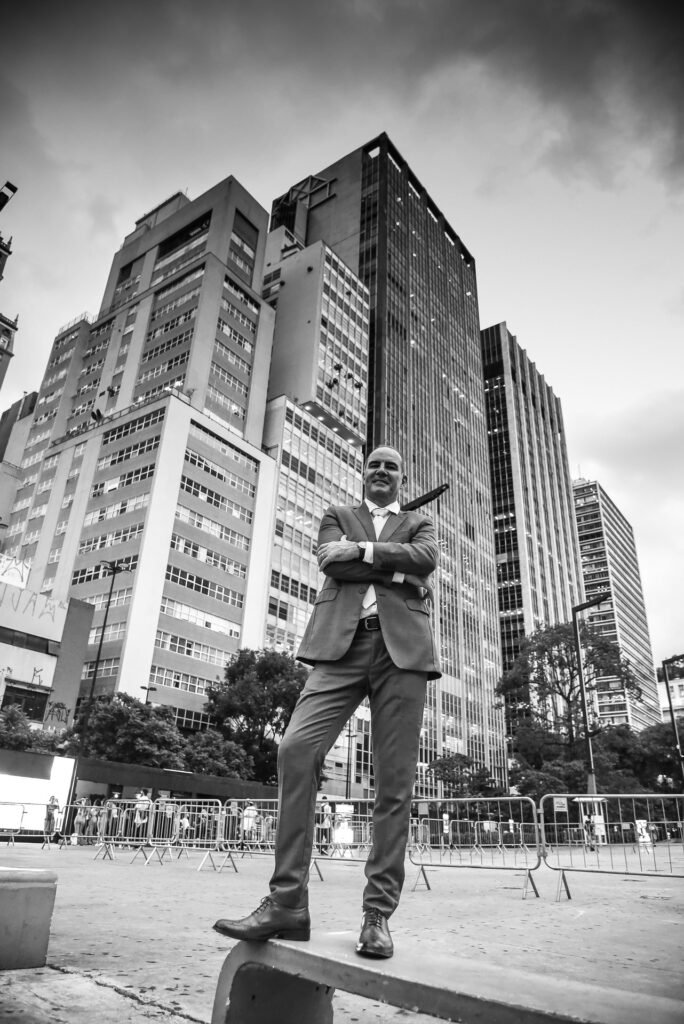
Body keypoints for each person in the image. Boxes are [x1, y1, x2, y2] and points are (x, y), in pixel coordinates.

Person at [214, 445, 440, 959]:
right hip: (339, 646)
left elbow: (424, 561)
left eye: (391, 466)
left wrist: (358, 555)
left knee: (394, 783)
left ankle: (377, 915)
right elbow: (326, 561)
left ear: (402, 477)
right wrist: (395, 569)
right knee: (295, 748)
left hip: (402, 652)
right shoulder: (336, 515)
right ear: (364, 475)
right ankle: (287, 903)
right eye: (374, 465)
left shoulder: (419, 521)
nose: (381, 471)